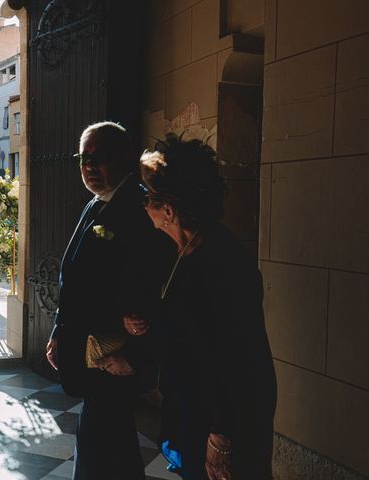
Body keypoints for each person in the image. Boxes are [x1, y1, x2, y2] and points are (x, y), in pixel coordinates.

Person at [130, 134, 277, 480]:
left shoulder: (222, 262)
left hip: (227, 419)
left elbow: (240, 357)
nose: (143, 206)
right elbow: (191, 327)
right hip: (196, 409)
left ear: (168, 209)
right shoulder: (188, 250)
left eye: (146, 197)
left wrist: (221, 437)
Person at [45, 121, 172, 480]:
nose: (88, 166)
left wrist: (134, 355)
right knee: (109, 444)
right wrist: (59, 329)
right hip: (91, 354)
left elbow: (153, 286)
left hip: (115, 356)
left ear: (122, 158)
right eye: (83, 158)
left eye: (97, 158)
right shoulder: (95, 205)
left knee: (102, 446)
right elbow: (74, 277)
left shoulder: (139, 207)